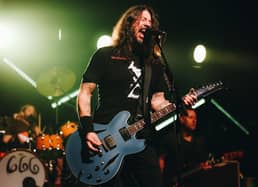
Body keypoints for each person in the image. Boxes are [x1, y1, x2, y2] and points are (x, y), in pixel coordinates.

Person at [76, 4, 197, 187]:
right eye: (142, 19)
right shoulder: (106, 55)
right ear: (129, 23)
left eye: (150, 21)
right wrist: (88, 129)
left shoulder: (154, 64)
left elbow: (158, 102)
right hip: (105, 137)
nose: (147, 24)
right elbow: (85, 92)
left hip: (140, 138)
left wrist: (179, 104)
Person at [159, 108, 211, 187]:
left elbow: (205, 161)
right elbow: (161, 159)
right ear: (182, 119)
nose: (194, 121)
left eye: (195, 118)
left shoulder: (200, 141)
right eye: (191, 117)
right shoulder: (170, 139)